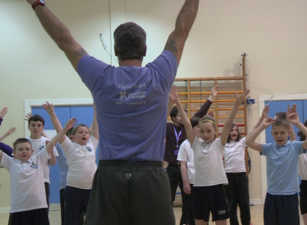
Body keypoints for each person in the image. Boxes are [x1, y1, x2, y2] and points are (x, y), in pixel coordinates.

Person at [26, 0, 199, 223]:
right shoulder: (160, 73)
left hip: (110, 177)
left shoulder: (100, 76)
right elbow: (182, 30)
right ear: (145, 50)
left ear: (116, 50)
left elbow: (64, 40)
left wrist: (36, 3)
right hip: (151, 176)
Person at [177, 86, 250, 225]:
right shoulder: (195, 144)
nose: (205, 134)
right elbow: (187, 123)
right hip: (199, 189)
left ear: (215, 131)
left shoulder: (219, 144)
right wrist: (178, 103)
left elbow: (228, 123)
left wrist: (237, 103)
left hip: (217, 188)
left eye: (209, 131)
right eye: (202, 131)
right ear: (198, 131)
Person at [245, 104, 307, 225]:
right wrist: (262, 126)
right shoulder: (268, 148)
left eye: (282, 132)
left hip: (289, 196)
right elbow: (248, 141)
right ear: (272, 133)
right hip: (272, 195)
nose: (279, 136)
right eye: (276, 133)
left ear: (289, 132)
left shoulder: (294, 147)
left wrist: (297, 123)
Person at [0, 119, 73, 225]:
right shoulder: (10, 162)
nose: (24, 151)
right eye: (20, 150)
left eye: (27, 149)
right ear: (14, 152)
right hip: (18, 209)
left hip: (39, 207)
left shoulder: (38, 159)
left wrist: (66, 129)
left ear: (32, 151)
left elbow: (53, 141)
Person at [166, 85, 218, 225]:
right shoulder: (167, 128)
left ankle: (185, 222)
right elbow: (159, 119)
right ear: (173, 117)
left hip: (185, 168)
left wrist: (211, 97)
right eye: (179, 115)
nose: (182, 117)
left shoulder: (187, 128)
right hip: (172, 167)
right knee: (168, 198)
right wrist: (171, 101)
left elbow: (200, 113)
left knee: (187, 198)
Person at [43, 102, 98, 225]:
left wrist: (96, 110)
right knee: (71, 220)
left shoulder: (92, 144)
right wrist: (52, 114)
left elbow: (96, 128)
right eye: (80, 132)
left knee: (93, 220)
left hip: (92, 190)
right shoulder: (69, 147)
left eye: (86, 132)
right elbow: (59, 130)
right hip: (74, 190)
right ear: (74, 136)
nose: (84, 134)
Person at [222, 105, 271, 225]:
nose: (234, 132)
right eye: (231, 130)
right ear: (228, 133)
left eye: (235, 130)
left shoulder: (242, 142)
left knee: (244, 203)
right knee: (232, 204)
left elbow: (254, 130)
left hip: (241, 176)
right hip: (228, 177)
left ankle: (247, 222)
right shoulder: (223, 144)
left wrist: (261, 118)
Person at [26, 114, 58, 212]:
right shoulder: (24, 141)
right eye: (33, 125)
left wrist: (51, 149)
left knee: (43, 208)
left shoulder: (48, 142)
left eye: (39, 125)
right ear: (29, 127)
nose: (36, 127)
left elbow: (53, 163)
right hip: (27, 179)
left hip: (43, 180)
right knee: (28, 208)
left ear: (43, 127)